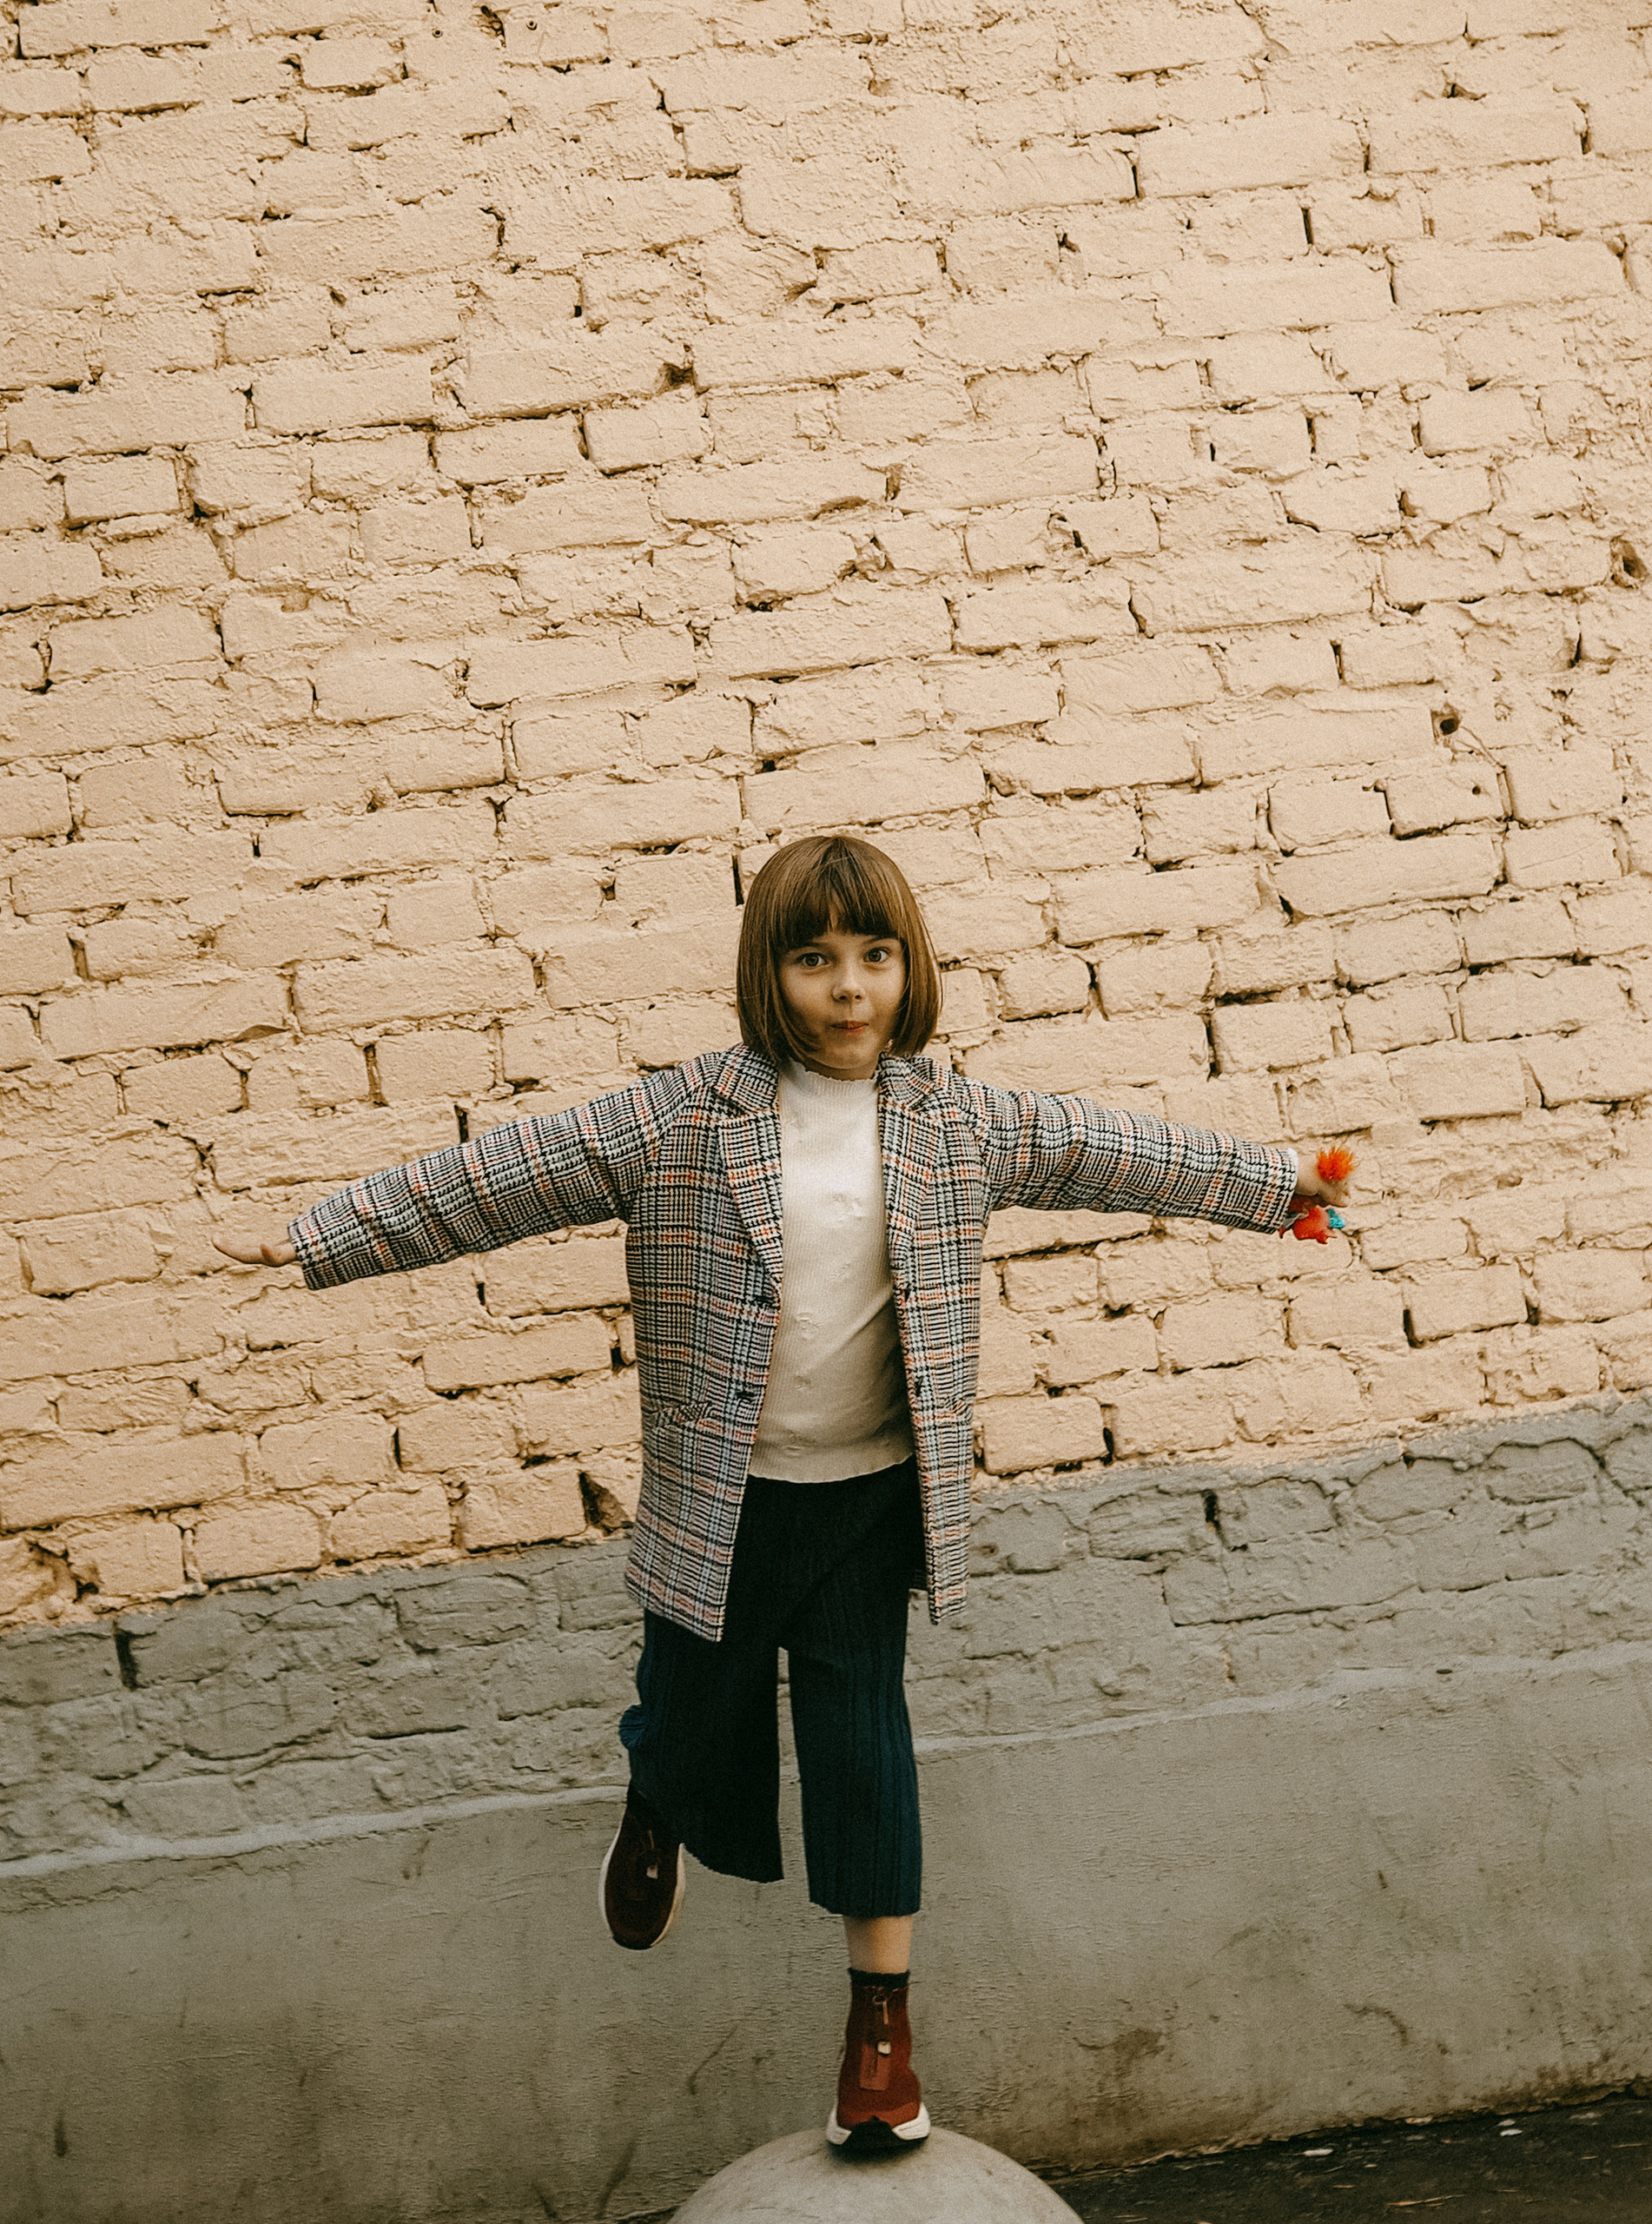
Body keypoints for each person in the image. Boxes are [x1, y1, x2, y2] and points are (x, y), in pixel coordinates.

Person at [216, 832, 1350, 2153]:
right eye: (816, 960)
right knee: (693, 1713)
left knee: (865, 1753)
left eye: (875, 957)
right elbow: (497, 1178)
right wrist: (318, 1238)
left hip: (870, 1502)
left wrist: (1285, 1192)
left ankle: (881, 2035)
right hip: (724, 1500)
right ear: (773, 974)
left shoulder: (959, 1122)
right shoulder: (681, 1117)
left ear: (909, 969)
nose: (850, 988)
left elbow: (1118, 1151)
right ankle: (661, 1796)